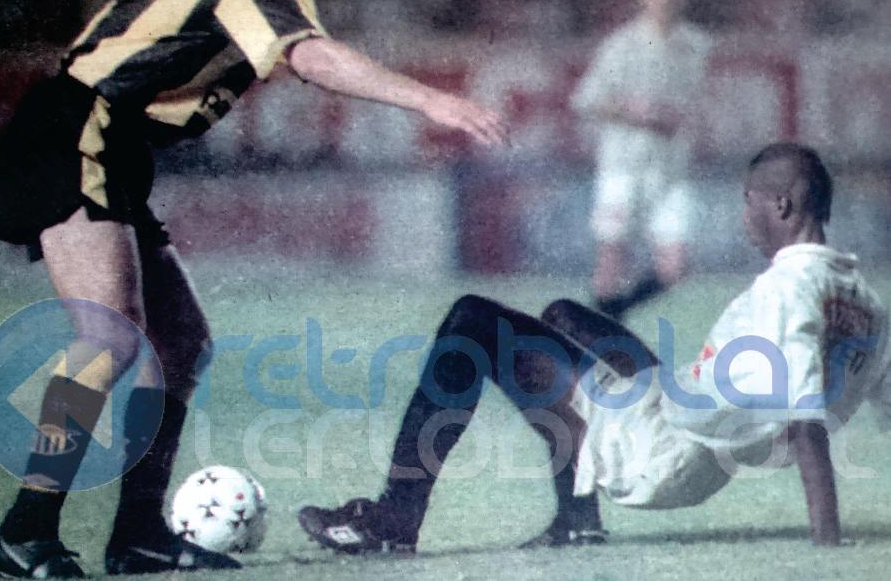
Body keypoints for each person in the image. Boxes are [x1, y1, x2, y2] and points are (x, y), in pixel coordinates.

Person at [0, 0, 506, 579]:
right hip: (73, 131)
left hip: (103, 137)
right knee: (109, 335)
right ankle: (26, 529)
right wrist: (430, 99)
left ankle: (137, 534)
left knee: (180, 341)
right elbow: (312, 59)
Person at [299, 143, 889, 553]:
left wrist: (828, 545)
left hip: (661, 448)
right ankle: (576, 519)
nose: (744, 216)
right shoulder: (866, 303)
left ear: (781, 205)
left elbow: (806, 425)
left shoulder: (787, 290)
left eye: (748, 200)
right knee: (564, 316)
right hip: (686, 421)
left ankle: (394, 519)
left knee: (470, 321)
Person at [572, 0, 713, 321]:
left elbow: (700, 101)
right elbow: (586, 99)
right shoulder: (621, 45)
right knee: (612, 255)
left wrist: (691, 122)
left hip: (671, 168)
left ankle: (613, 313)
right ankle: (601, 329)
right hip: (624, 165)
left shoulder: (697, 45)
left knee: (675, 266)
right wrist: (634, 112)